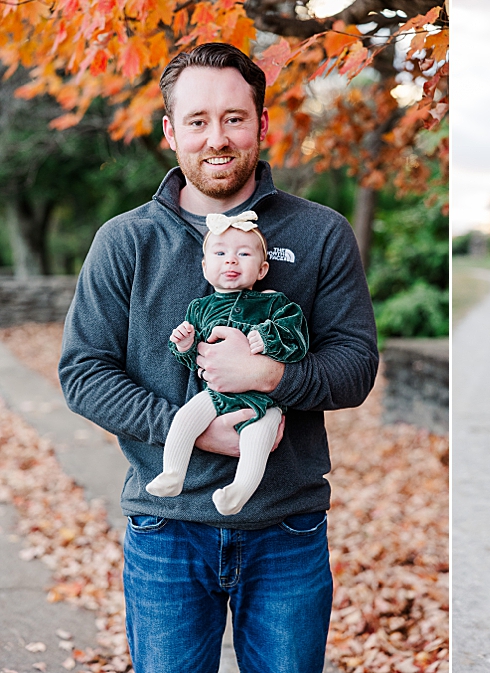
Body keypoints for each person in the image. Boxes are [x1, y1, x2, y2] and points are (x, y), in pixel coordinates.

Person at [58, 43, 378, 673]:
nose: (217, 138)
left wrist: (270, 376)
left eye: (234, 118)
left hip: (287, 529)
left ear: (261, 124)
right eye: (198, 121)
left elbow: (355, 366)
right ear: (171, 131)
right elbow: (84, 372)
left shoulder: (319, 233)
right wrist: (196, 432)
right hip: (165, 530)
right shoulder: (126, 241)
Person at [147, 214, 310, 516]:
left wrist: (268, 336)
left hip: (264, 400)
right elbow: (193, 358)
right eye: (220, 254)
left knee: (258, 439)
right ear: (206, 267)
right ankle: (172, 473)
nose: (231, 261)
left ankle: (239, 491)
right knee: (185, 418)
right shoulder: (200, 307)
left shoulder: (274, 304)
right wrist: (184, 344)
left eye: (243, 254)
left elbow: (297, 341)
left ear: (262, 269)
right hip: (216, 392)